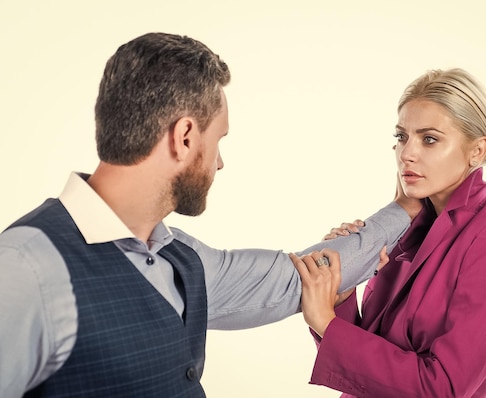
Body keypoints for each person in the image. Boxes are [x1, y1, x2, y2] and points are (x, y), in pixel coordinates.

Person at [0, 32, 423, 398]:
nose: (219, 163)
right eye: (218, 140)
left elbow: (302, 276)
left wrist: (406, 206)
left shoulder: (180, 257)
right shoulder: (25, 268)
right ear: (184, 137)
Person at [292, 68, 486, 397]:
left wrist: (328, 324)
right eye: (401, 137)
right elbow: (372, 355)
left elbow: (442, 388)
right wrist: (340, 295)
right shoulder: (405, 230)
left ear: (477, 150)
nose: (407, 154)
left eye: (429, 139)